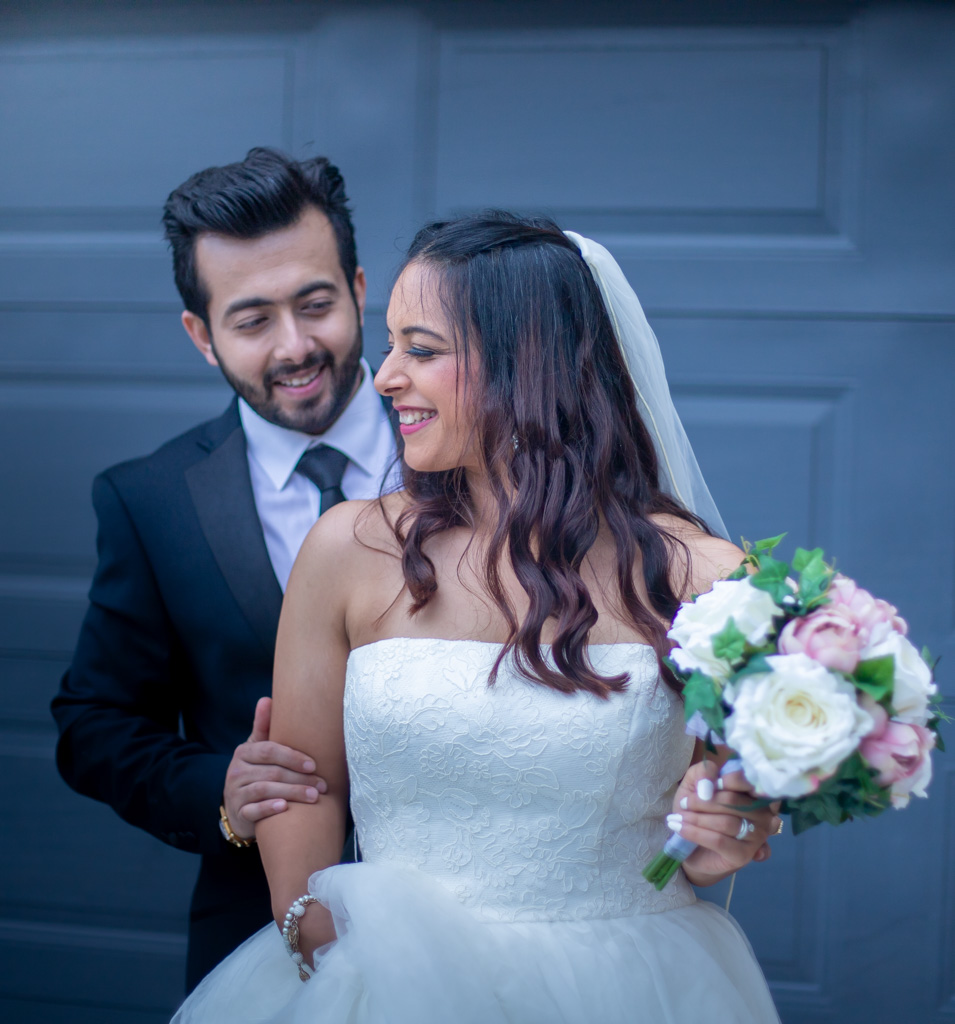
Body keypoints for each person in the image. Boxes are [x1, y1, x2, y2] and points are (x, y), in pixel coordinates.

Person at [173, 212, 781, 1022]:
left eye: (421, 350)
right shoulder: (348, 550)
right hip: (376, 986)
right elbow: (301, 778)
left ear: (530, 364)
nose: (385, 376)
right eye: (390, 345)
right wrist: (310, 932)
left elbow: (714, 837)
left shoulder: (708, 579)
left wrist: (724, 837)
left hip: (625, 987)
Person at [50, 148, 397, 991]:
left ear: (357, 288)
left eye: (316, 304)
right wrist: (221, 791)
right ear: (200, 336)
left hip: (475, 922)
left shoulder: (474, 457)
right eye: (251, 321)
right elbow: (92, 723)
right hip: (256, 940)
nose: (295, 346)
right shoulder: (148, 499)